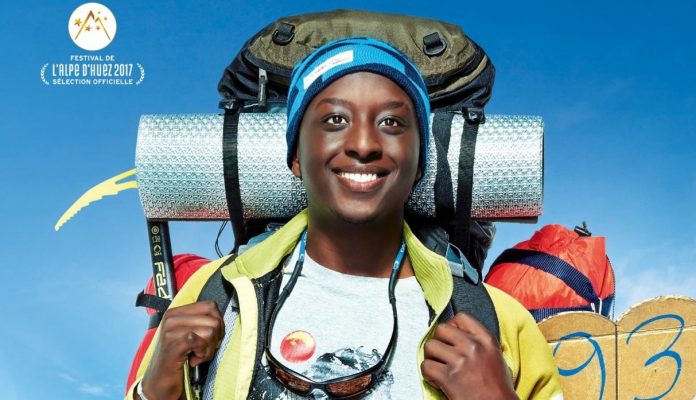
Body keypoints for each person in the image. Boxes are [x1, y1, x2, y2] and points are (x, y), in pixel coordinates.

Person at [129, 37, 563, 400]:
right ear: (296, 157)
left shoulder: (495, 320)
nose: (363, 143)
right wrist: (157, 388)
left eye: (392, 122)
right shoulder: (216, 293)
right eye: (335, 119)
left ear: (419, 162)